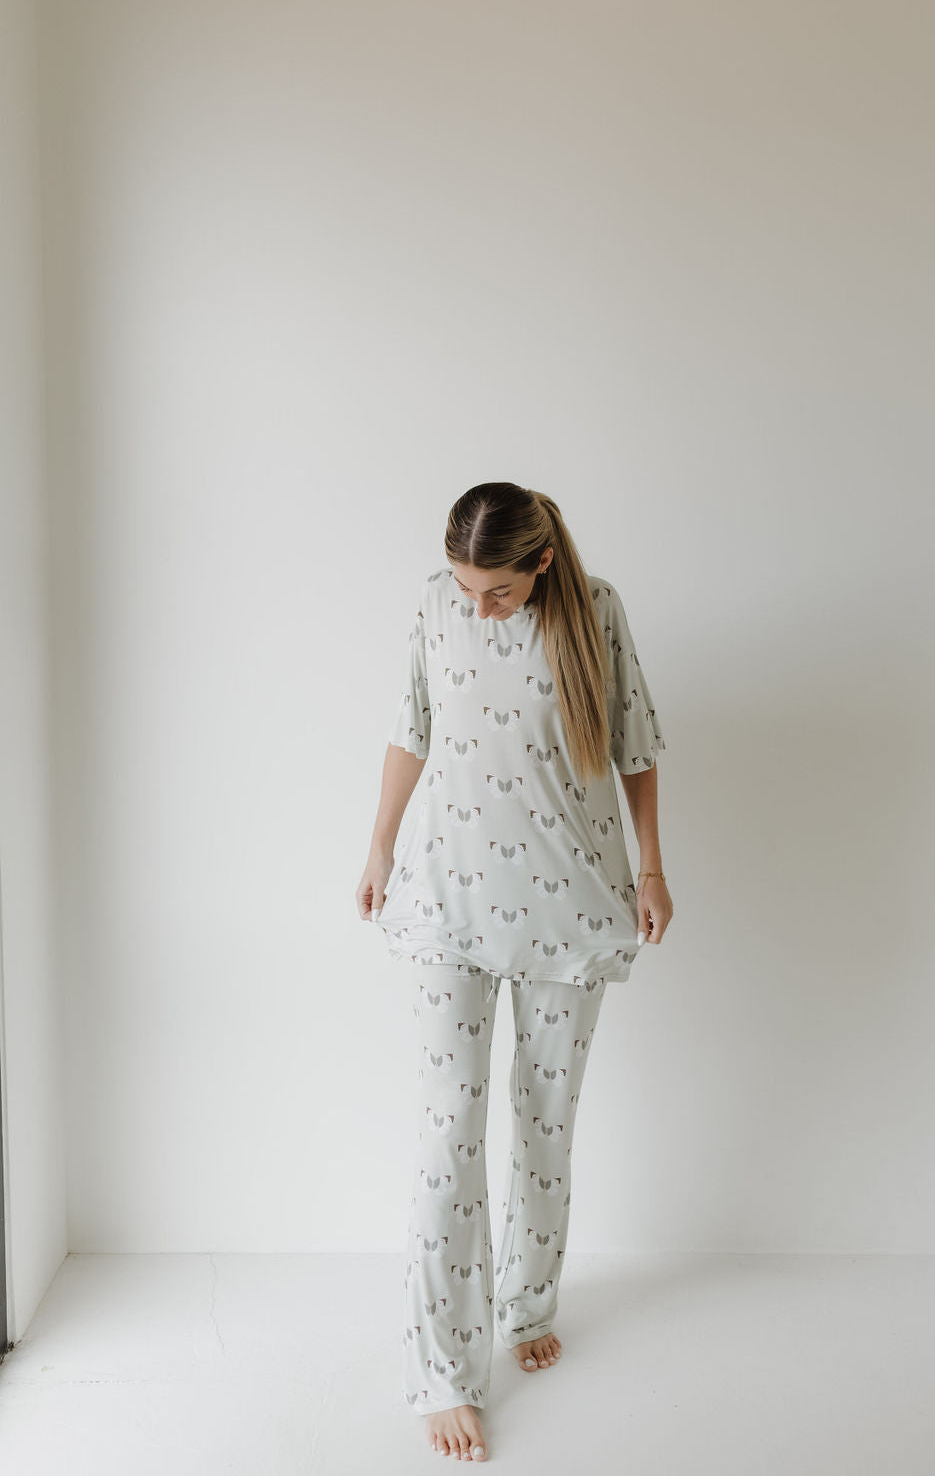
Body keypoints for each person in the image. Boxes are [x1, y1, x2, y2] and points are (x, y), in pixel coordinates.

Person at [356, 482, 672, 1462]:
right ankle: (444, 1370)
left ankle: (527, 1303)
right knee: (448, 1129)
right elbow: (411, 725)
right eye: (463, 586)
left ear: (539, 564)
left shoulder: (596, 612)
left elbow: (634, 745)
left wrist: (652, 865)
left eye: (493, 590)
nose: (475, 607)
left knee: (543, 1118)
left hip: (567, 903)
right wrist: (377, 847)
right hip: (447, 899)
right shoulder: (435, 604)